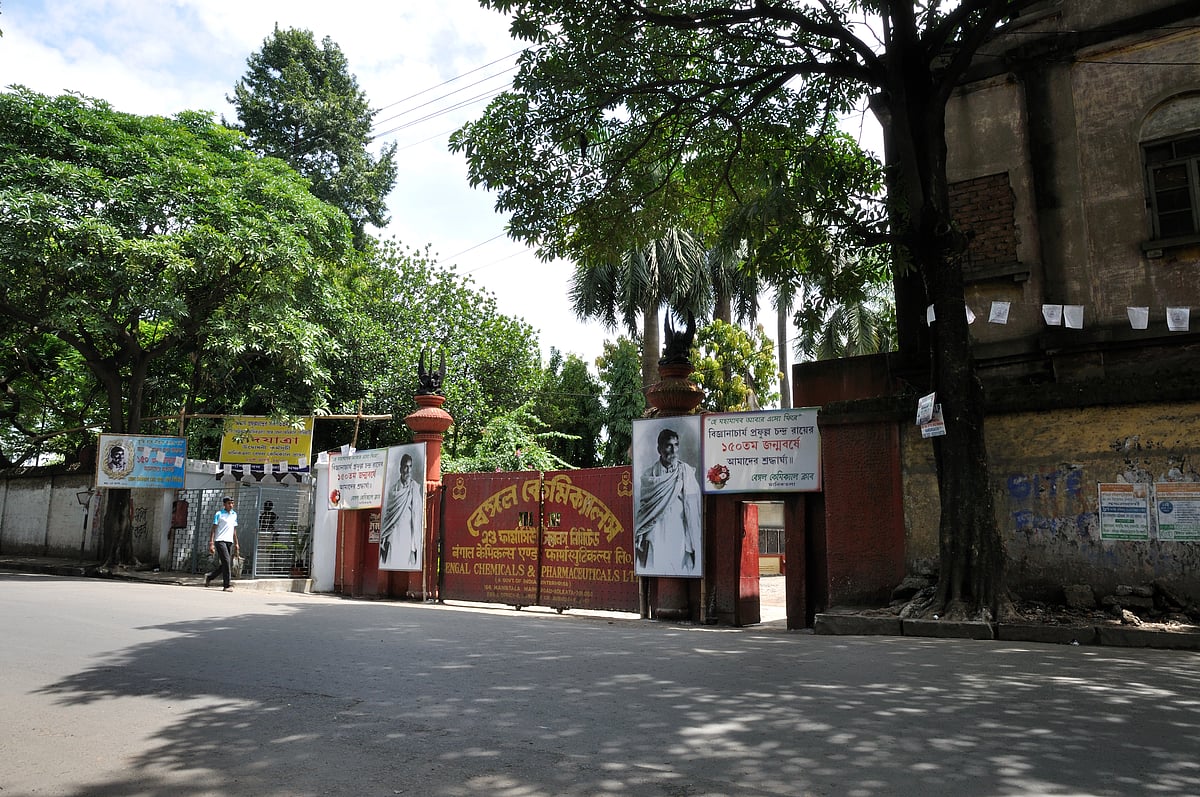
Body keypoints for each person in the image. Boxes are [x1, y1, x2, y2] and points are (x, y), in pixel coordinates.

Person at [635, 428, 700, 574]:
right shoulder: (649, 476)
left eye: (676, 445)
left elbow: (693, 507)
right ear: (659, 449)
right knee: (656, 565)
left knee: (679, 567)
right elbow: (645, 509)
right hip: (656, 530)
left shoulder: (686, 472)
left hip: (679, 530)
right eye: (668, 445)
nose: (673, 450)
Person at [380, 454, 422, 566]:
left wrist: (415, 542)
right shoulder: (393, 490)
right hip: (394, 533)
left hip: (408, 534)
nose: (407, 470)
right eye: (405, 466)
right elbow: (388, 516)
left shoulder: (415, 487)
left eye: (410, 466)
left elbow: (417, 515)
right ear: (400, 468)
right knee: (391, 561)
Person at [205, 496, 240, 591]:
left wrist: (236, 543)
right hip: (220, 540)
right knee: (227, 562)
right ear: (224, 504)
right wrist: (211, 543)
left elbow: (234, 530)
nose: (231, 505)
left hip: (229, 541)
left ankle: (210, 577)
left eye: (232, 503)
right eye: (229, 503)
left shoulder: (234, 514)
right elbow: (213, 529)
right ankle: (226, 585)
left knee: (225, 563)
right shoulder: (219, 514)